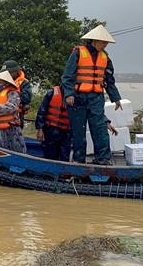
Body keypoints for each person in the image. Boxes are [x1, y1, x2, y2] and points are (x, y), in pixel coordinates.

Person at [62, 25, 122, 165]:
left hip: (96, 97)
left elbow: (109, 80)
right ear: (94, 41)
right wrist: (69, 94)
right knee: (78, 130)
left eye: (106, 43)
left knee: (100, 128)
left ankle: (102, 159)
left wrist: (116, 98)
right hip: (78, 97)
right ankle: (79, 159)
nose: (105, 45)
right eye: (103, 42)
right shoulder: (78, 52)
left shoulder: (105, 57)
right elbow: (67, 76)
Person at [35, 85, 119, 162]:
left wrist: (106, 122)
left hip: (67, 133)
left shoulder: (78, 97)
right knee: (50, 156)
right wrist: (40, 129)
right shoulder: (52, 93)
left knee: (64, 157)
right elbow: (41, 112)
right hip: (51, 131)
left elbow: (93, 112)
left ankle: (62, 176)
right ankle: (49, 175)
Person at [1, 60, 32, 128]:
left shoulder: (24, 83)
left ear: (16, 71)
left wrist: (12, 91)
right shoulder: (0, 81)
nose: (7, 74)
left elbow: (26, 98)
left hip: (16, 117)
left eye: (9, 72)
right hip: (0, 115)